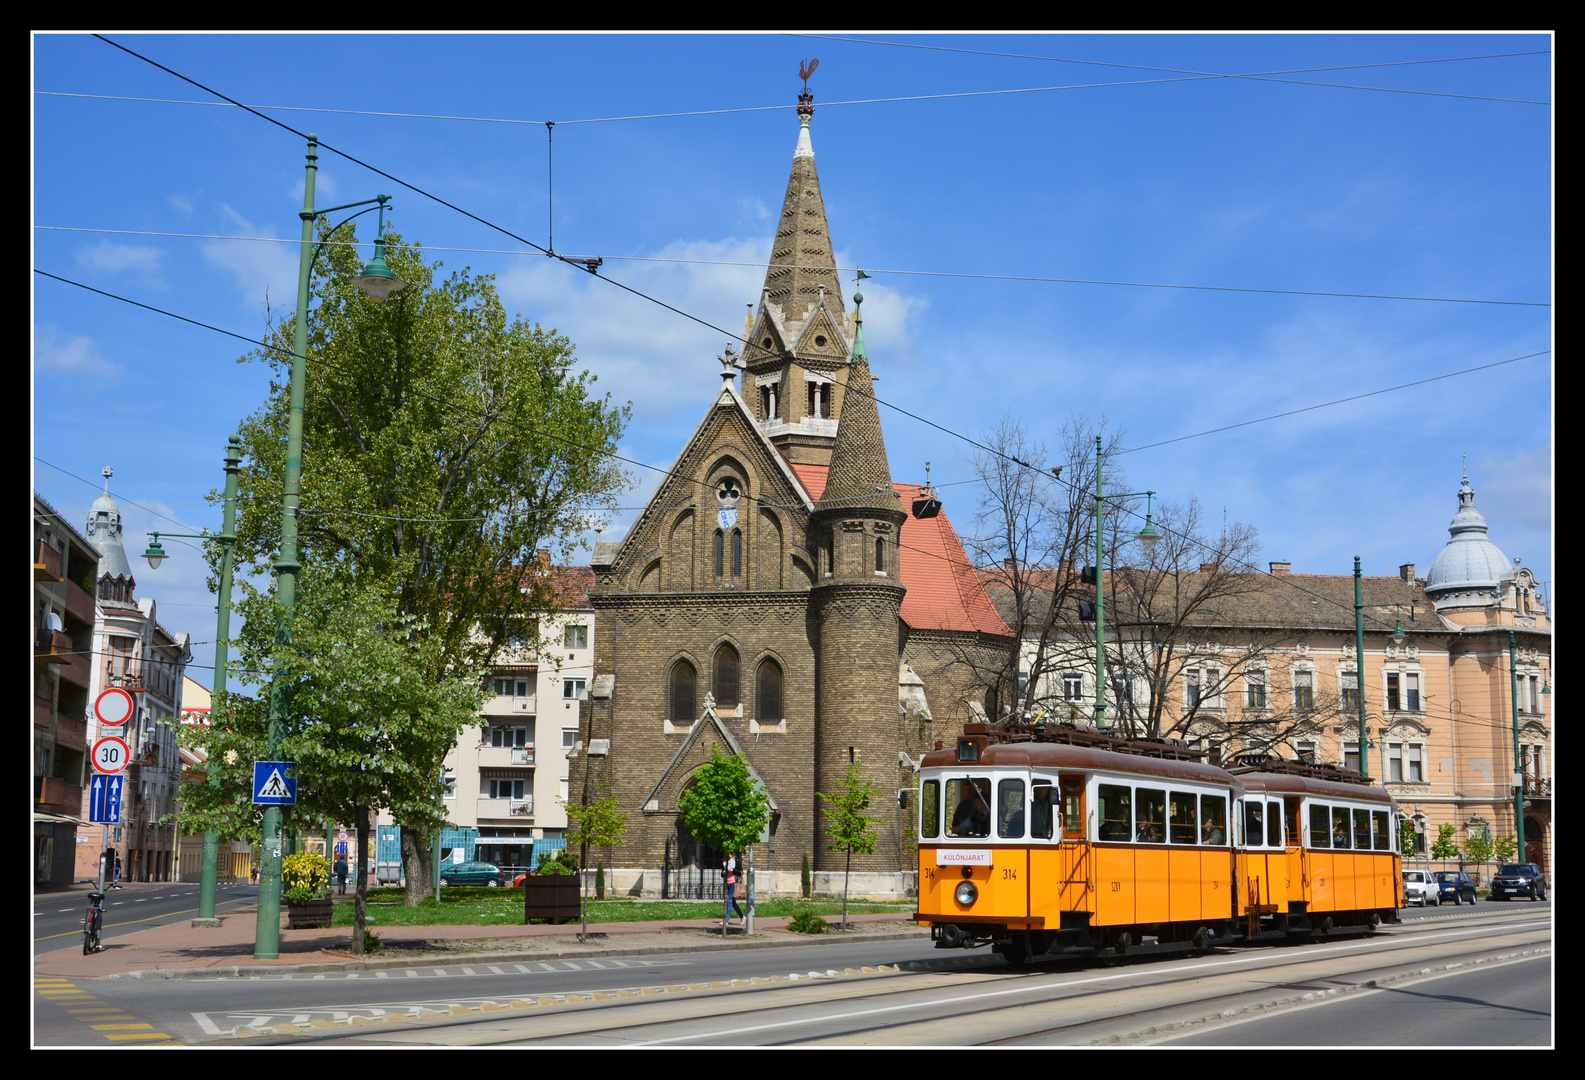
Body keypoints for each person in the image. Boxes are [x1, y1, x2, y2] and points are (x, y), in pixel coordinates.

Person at [723, 853, 746, 924]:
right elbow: (722, 873)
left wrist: (732, 870)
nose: (729, 854)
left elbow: (740, 872)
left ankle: (726, 920)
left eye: (731, 852)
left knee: (729, 900)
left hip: (733, 883)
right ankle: (742, 916)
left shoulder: (736, 861)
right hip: (727, 882)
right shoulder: (725, 861)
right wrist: (723, 872)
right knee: (733, 902)